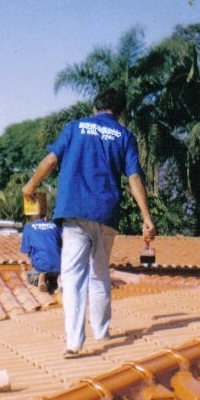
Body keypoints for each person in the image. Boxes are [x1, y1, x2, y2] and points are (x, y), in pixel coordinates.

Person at [22, 88, 155, 358]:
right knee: (99, 272)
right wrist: (146, 218)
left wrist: (31, 186)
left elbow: (50, 160)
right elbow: (134, 178)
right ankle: (102, 331)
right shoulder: (125, 135)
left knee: (72, 277)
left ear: (95, 109)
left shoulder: (74, 128)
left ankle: (73, 342)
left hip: (75, 211)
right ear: (119, 113)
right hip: (107, 214)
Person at [20, 198, 62, 294]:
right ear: (45, 215)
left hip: (41, 265)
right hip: (59, 266)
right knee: (53, 281)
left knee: (29, 276)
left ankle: (41, 275)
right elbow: (61, 245)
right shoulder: (55, 226)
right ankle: (56, 280)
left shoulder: (28, 228)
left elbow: (27, 252)